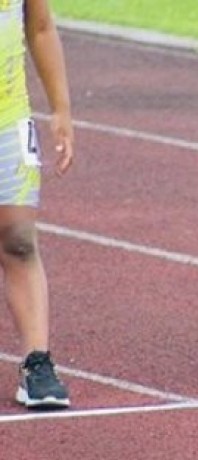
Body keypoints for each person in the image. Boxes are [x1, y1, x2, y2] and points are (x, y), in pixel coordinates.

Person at [0, 0, 74, 408]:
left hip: (8, 119)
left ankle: (37, 364)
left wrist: (61, 109)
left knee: (19, 239)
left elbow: (41, 27)